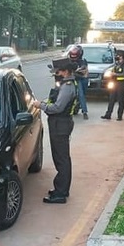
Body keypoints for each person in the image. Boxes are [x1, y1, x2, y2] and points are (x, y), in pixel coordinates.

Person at [32, 58, 78, 204]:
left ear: (64, 71)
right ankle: (62, 189)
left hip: (60, 125)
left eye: (57, 72)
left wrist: (41, 105)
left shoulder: (67, 87)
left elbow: (57, 108)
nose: (55, 74)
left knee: (61, 159)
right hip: (60, 124)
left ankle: (60, 193)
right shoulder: (66, 84)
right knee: (62, 158)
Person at [101, 50, 124, 121]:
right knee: (111, 99)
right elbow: (112, 71)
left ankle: (120, 116)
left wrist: (114, 75)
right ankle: (108, 114)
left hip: (122, 84)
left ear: (122, 57)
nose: (116, 57)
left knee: (120, 100)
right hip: (114, 83)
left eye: (118, 55)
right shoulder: (116, 64)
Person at [67, 45, 89, 120]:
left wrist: (79, 69)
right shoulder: (68, 60)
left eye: (75, 55)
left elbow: (83, 68)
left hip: (78, 79)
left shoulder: (82, 61)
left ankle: (85, 112)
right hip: (68, 79)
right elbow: (61, 66)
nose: (73, 57)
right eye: (72, 55)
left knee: (81, 94)